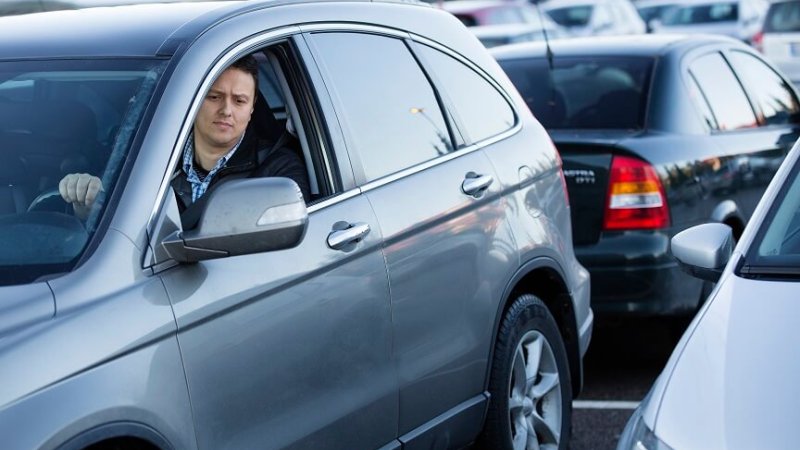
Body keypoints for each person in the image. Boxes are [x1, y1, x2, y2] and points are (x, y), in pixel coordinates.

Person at [59, 55, 310, 229]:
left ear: (252, 107)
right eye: (214, 97)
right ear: (195, 100)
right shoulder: (145, 156)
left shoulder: (279, 171)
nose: (226, 110)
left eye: (239, 101)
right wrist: (88, 208)